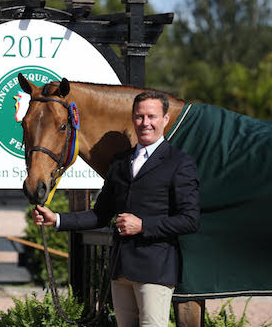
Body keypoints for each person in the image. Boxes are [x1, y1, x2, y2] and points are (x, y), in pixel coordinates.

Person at [33, 90, 200, 327]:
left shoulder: (180, 163)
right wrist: (57, 219)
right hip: (120, 269)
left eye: (152, 117)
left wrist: (143, 225)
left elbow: (190, 220)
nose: (145, 123)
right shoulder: (120, 162)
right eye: (140, 116)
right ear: (132, 119)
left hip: (156, 270)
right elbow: (100, 215)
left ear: (164, 120)